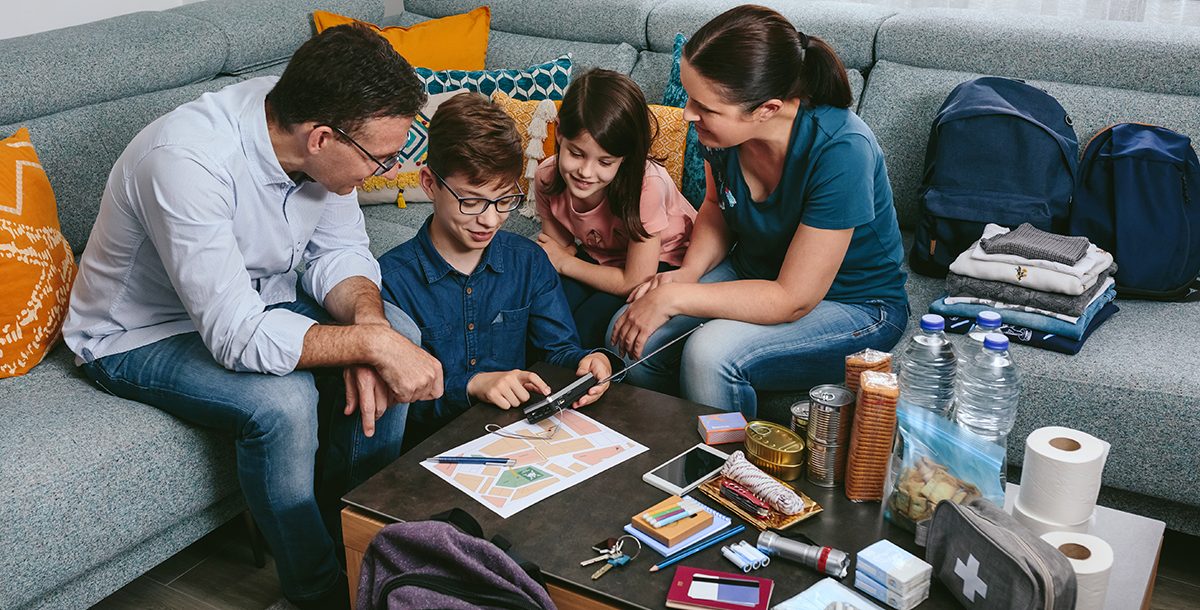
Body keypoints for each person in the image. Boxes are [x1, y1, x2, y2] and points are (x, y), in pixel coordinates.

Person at [62, 24, 442, 609]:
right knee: (283, 403)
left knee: (400, 332)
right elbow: (236, 336)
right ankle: (317, 591)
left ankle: (364, 547)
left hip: (255, 299)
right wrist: (370, 347)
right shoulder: (187, 162)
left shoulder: (306, 118)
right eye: (381, 158)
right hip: (137, 334)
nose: (386, 171)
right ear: (321, 139)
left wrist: (372, 335)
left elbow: (338, 254)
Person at [608, 5, 909, 418]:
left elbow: (792, 298)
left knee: (710, 354)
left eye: (706, 107)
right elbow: (716, 206)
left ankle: (725, 475)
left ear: (767, 108)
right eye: (691, 97)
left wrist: (678, 297)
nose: (687, 114)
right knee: (627, 330)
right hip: (757, 271)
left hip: (855, 304)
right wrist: (687, 274)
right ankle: (669, 446)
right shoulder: (719, 133)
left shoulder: (842, 148)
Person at [377, 93, 616, 445]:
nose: (490, 220)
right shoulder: (390, 281)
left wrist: (591, 361)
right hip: (424, 455)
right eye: (471, 201)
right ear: (429, 183)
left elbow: (559, 351)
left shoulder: (528, 261)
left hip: (519, 443)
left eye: (505, 199)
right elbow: (390, 403)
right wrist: (472, 386)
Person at [534, 69, 696, 349]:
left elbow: (633, 280)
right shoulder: (546, 176)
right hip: (600, 257)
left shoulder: (647, 186)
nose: (586, 172)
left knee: (586, 330)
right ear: (559, 132)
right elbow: (555, 253)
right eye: (576, 153)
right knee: (542, 318)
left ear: (625, 157)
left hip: (661, 261)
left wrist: (565, 262)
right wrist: (561, 263)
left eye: (605, 162)